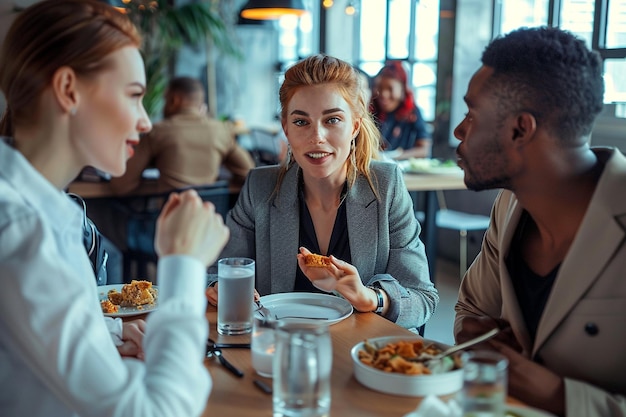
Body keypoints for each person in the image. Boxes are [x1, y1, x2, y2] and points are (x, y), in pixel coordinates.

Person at [0, 1, 229, 416]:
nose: (145, 121)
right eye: (135, 96)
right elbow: (156, 412)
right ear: (69, 90)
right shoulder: (25, 231)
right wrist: (183, 264)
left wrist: (105, 335)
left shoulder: (36, 210)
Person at [452, 26, 626, 417]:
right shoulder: (509, 206)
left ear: (520, 129)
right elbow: (470, 311)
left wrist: (558, 396)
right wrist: (475, 335)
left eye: (471, 115)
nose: (459, 131)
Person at [205, 54, 439, 331]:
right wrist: (217, 286)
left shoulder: (386, 186)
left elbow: (423, 299)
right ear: (286, 129)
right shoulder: (260, 187)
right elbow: (216, 272)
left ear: (354, 125)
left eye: (332, 120)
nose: (317, 137)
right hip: (278, 349)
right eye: (301, 122)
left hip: (359, 352)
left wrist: (370, 297)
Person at [109, 76, 255, 195]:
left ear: (175, 100)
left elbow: (122, 185)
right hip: (210, 220)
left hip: (171, 223)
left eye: (166, 100)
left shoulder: (158, 131)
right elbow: (249, 175)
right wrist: (220, 188)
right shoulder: (221, 131)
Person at [371, 60, 432, 160]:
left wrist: (395, 156)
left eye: (390, 89)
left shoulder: (413, 113)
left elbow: (424, 150)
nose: (383, 94)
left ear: (402, 89)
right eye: (379, 88)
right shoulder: (372, 112)